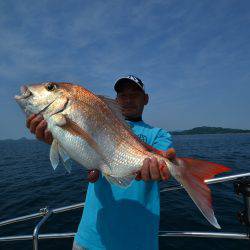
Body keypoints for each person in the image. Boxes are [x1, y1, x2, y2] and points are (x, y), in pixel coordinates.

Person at [26, 75, 173, 250]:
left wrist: (167, 167)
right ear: (116, 100)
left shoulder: (159, 135)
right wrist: (60, 139)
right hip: (90, 238)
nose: (128, 100)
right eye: (122, 95)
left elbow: (166, 166)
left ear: (145, 99)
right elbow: (87, 152)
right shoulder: (99, 122)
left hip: (138, 241)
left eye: (134, 94)